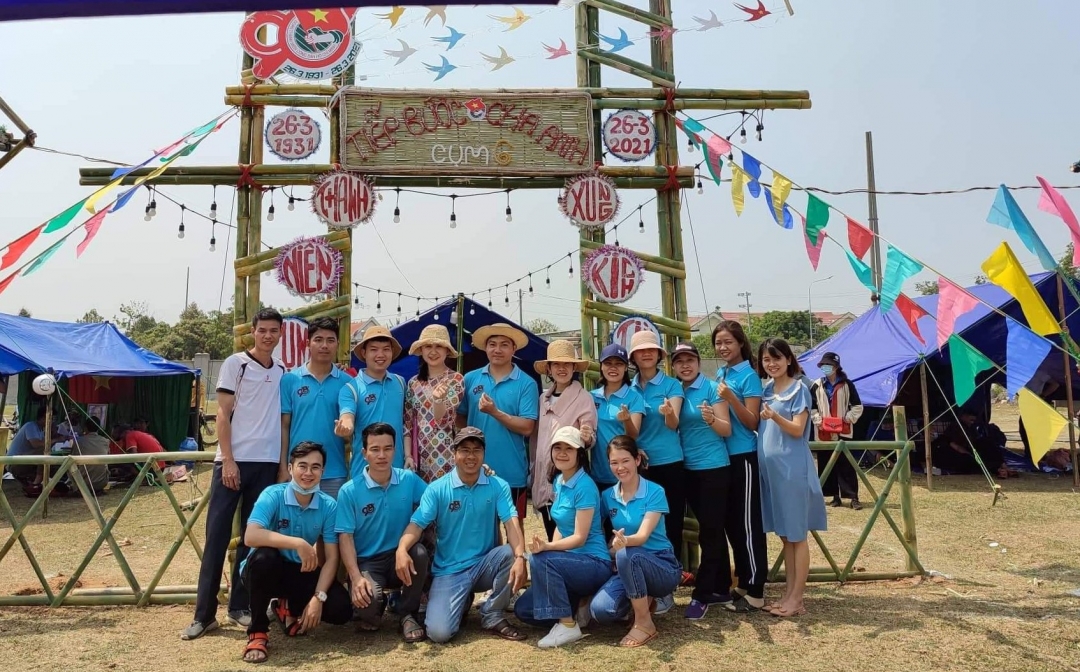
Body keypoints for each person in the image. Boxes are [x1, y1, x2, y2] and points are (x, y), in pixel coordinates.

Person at [183, 308, 286, 640]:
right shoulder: (235, 364)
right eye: (262, 330)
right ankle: (204, 615)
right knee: (216, 537)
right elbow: (223, 414)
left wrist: (282, 465)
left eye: (273, 330)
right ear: (252, 332)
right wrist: (227, 460)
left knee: (252, 538)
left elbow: (282, 420)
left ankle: (241, 606)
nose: (267, 335)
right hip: (232, 461)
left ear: (281, 334)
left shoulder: (282, 370)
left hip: (266, 463)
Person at [396, 427, 528, 643]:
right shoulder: (437, 489)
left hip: (485, 565)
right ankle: (462, 600)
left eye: (477, 450)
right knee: (439, 634)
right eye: (465, 450)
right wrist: (401, 549)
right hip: (450, 571)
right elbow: (417, 524)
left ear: (484, 454)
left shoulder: (498, 485)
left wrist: (521, 557)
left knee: (510, 553)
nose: (471, 456)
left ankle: (492, 614)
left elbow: (511, 523)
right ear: (454, 453)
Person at [239, 441, 352, 663]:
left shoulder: (329, 506)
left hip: (299, 571)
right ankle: (257, 632)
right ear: (290, 468)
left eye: (315, 467)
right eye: (302, 466)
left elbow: (331, 559)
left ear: (323, 471)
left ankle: (287, 608)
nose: (308, 473)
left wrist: (318, 598)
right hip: (263, 571)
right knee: (265, 557)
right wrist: (298, 543)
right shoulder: (273, 494)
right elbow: (250, 536)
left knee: (342, 609)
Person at [514, 426, 612, 648]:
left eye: (569, 448)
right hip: (570, 565)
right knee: (524, 610)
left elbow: (579, 537)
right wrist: (550, 548)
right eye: (557, 447)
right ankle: (578, 606)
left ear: (580, 453)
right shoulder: (560, 481)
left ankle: (567, 625)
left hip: (594, 563)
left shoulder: (585, 486)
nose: (562, 453)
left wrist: (547, 549)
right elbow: (561, 525)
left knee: (540, 558)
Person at [336, 423, 429, 643]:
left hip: (401, 555)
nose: (382, 455)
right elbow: (345, 537)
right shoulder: (349, 491)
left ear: (395, 450)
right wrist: (356, 577)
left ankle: (407, 613)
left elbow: (437, 498)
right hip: (369, 562)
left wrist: (482, 473)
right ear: (364, 453)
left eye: (387, 448)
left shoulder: (408, 480)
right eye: (375, 449)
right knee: (367, 607)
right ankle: (378, 604)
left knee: (420, 553)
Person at [757, 338, 827, 618]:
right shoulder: (766, 390)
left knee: (797, 536)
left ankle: (797, 599)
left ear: (788, 359)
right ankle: (788, 594)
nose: (771, 364)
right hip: (772, 474)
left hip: (792, 471)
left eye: (776, 358)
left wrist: (774, 417)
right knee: (786, 536)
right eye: (766, 359)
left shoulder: (800, 389)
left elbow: (798, 429)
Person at [589, 436, 681, 648]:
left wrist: (621, 543)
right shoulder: (607, 496)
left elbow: (642, 537)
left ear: (637, 460)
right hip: (626, 564)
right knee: (601, 611)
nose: (620, 468)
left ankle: (644, 623)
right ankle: (643, 601)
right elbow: (594, 529)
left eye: (625, 461)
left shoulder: (655, 491)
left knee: (626, 554)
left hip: (662, 565)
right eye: (614, 462)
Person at [670, 342, 733, 619]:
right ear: (673, 365)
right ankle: (721, 587)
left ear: (698, 362)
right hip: (686, 468)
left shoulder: (711, 388)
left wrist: (711, 419)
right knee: (711, 530)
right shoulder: (675, 390)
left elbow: (726, 428)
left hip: (713, 467)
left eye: (690, 360)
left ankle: (703, 593)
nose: (685, 365)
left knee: (710, 530)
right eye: (679, 361)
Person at [712, 320, 768, 611]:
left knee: (748, 524)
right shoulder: (721, 372)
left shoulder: (749, 376)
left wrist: (731, 398)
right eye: (718, 343)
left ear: (741, 343)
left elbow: (752, 422)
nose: (723, 347)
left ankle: (756, 590)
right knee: (733, 524)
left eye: (728, 342)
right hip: (723, 458)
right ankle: (744, 581)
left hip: (744, 455)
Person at [456, 323, 539, 519]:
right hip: (474, 467)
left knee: (514, 524)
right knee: (479, 524)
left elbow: (528, 427)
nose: (497, 350)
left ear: (514, 349)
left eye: (504, 345)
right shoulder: (470, 379)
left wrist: (494, 412)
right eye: (492, 344)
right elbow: (460, 417)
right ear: (485, 348)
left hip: (512, 469)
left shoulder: (526, 383)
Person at [627, 330, 686, 595]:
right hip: (640, 466)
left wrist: (669, 412)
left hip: (669, 463)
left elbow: (674, 424)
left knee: (670, 523)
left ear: (660, 355)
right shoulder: (629, 388)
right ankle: (645, 580)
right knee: (641, 523)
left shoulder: (671, 385)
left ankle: (669, 583)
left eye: (652, 349)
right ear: (633, 357)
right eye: (641, 351)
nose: (647, 354)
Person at [532, 340, 597, 540]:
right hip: (542, 474)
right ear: (549, 369)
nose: (562, 368)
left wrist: (587, 436)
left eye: (567, 364)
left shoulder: (584, 398)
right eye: (557, 364)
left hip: (569, 475)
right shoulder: (542, 399)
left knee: (570, 534)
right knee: (550, 531)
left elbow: (590, 435)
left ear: (574, 368)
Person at [280, 318, 350, 499]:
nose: (324, 345)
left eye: (330, 340)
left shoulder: (348, 383)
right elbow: (284, 427)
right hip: (298, 470)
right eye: (318, 340)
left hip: (334, 472)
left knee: (332, 517)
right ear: (307, 343)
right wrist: (283, 467)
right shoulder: (290, 380)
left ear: (337, 344)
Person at [337, 326, 407, 476]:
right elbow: (347, 415)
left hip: (397, 470)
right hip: (363, 471)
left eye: (386, 349)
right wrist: (346, 426)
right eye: (374, 349)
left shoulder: (400, 383)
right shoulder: (351, 389)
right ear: (364, 353)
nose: (380, 355)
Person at [404, 324, 465, 483]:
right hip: (418, 457)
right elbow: (408, 424)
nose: (433, 351)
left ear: (447, 350)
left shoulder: (455, 380)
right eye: (428, 346)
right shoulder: (413, 383)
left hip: (447, 455)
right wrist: (408, 455)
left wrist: (438, 400)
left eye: (439, 346)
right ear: (421, 350)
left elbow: (443, 420)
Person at [809, 352, 865, 510]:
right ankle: (834, 495)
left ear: (836, 367)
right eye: (824, 365)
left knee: (846, 464)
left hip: (843, 430)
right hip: (824, 430)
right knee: (826, 463)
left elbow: (857, 406)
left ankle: (853, 497)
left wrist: (848, 418)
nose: (826, 368)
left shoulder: (847, 384)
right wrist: (818, 420)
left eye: (829, 365)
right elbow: (812, 407)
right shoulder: (817, 385)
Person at [590, 343, 644, 491]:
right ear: (601, 366)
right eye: (608, 363)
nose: (613, 368)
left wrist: (626, 420)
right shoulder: (591, 397)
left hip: (624, 473)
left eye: (619, 364)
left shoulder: (634, 397)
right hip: (597, 472)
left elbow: (633, 435)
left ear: (626, 367)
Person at [932, 410, 1006, 476]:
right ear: (963, 416)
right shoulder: (956, 427)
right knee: (970, 461)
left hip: (967, 450)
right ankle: (996, 469)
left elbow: (974, 441)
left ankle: (1001, 465)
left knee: (987, 445)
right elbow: (955, 446)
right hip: (952, 453)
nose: (972, 421)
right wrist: (970, 455)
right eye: (971, 419)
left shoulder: (971, 428)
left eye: (973, 420)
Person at [6, 406, 58, 495]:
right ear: (44, 418)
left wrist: (54, 433)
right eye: (52, 419)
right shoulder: (30, 426)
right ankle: (35, 484)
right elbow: (36, 444)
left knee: (54, 467)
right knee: (44, 451)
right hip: (14, 464)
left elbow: (45, 444)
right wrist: (57, 439)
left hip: (23, 461)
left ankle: (36, 481)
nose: (53, 422)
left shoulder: (40, 429)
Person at [69, 415, 110, 494]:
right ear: (98, 428)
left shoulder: (79, 441)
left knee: (69, 464)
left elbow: (72, 460)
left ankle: (74, 486)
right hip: (102, 482)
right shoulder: (105, 441)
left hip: (83, 483)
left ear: (85, 428)